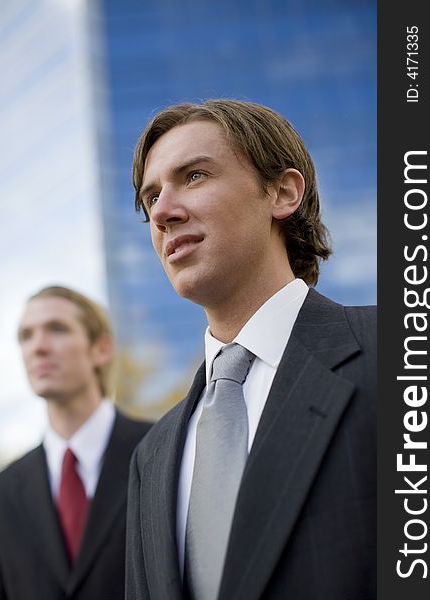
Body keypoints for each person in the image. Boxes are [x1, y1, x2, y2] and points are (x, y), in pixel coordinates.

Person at [125, 99, 376, 600]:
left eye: (194, 176)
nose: (163, 213)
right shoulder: (150, 457)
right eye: (151, 197)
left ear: (283, 193)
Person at [0, 285, 151, 600]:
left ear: (101, 349)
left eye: (56, 329)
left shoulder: (162, 449)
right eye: (26, 336)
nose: (38, 347)